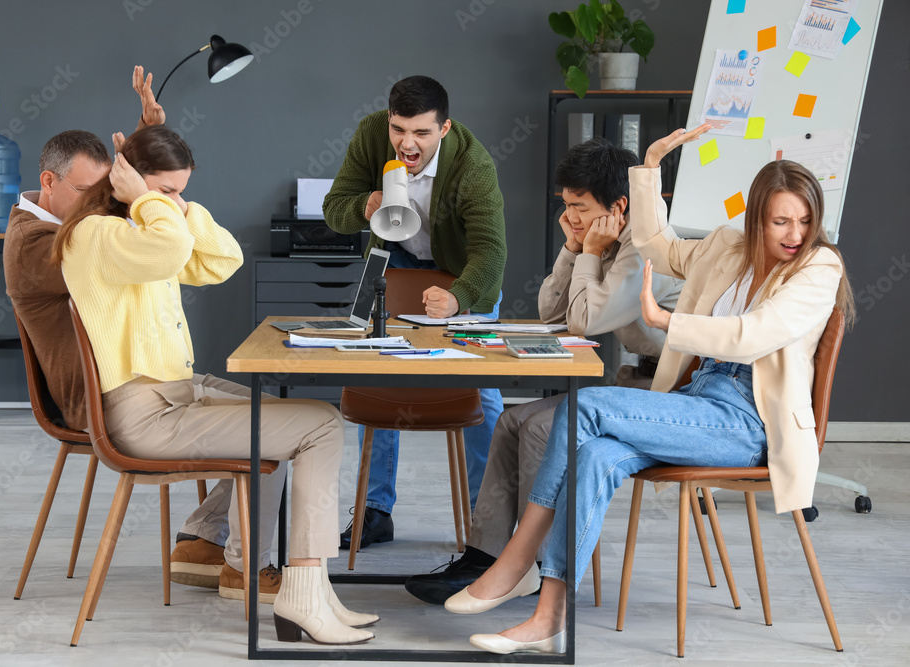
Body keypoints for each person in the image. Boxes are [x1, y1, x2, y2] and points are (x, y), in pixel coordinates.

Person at [443, 125, 855, 656]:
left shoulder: (820, 266)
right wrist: (650, 166)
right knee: (593, 454)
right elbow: (656, 244)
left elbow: (754, 334)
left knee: (581, 407)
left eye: (803, 221)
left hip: (749, 421)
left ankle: (517, 558)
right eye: (780, 221)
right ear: (757, 220)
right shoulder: (729, 247)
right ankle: (549, 616)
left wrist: (666, 320)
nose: (794, 233)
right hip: (698, 401)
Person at [51, 125, 376, 645]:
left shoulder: (139, 230)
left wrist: (169, 204)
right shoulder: (97, 236)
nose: (176, 203)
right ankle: (302, 591)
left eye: (182, 190)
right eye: (167, 190)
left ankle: (263, 571)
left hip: (175, 390)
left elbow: (223, 259)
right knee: (320, 425)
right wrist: (148, 203)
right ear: (125, 181)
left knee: (302, 421)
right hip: (144, 415)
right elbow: (169, 250)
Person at [3, 67, 286, 605]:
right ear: (48, 182)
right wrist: (148, 196)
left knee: (272, 418)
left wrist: (143, 156)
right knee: (271, 431)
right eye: (88, 189)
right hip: (105, 398)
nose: (99, 197)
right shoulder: (38, 244)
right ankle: (241, 565)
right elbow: (123, 230)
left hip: (150, 379)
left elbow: (136, 218)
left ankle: (203, 540)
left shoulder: (81, 226)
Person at [404, 138, 682, 604]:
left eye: (579, 207)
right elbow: (552, 315)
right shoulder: (606, 234)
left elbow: (584, 322)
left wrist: (588, 250)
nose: (569, 217)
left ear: (618, 206)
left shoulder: (643, 245)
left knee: (540, 429)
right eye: (565, 205)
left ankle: (532, 564)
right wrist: (576, 248)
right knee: (515, 420)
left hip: (674, 397)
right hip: (642, 384)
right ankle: (485, 556)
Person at [323, 75, 507, 548]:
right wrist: (364, 205)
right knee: (377, 379)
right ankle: (375, 510)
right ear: (389, 120)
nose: (407, 143)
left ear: (443, 129)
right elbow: (333, 208)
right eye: (399, 129)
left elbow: (491, 251)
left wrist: (458, 297)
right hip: (392, 261)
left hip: (460, 272)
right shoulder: (370, 135)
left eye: (421, 133)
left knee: (481, 392)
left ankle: (487, 518)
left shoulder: (473, 163)